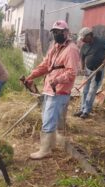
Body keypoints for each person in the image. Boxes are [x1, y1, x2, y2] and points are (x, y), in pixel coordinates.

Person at [24, 20, 79, 160]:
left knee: (48, 119)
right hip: (49, 89)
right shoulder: (55, 47)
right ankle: (51, 146)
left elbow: (72, 72)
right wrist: (31, 76)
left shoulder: (71, 49)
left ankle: (45, 150)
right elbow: (45, 65)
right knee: (48, 118)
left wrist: (57, 80)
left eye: (59, 32)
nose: (56, 34)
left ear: (67, 32)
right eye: (54, 32)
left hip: (59, 91)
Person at [74, 27, 105, 119]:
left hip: (98, 70)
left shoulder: (100, 42)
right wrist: (82, 68)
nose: (83, 40)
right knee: (85, 91)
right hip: (88, 70)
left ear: (89, 35)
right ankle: (82, 109)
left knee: (92, 91)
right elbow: (82, 57)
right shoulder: (84, 45)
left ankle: (86, 111)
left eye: (84, 38)